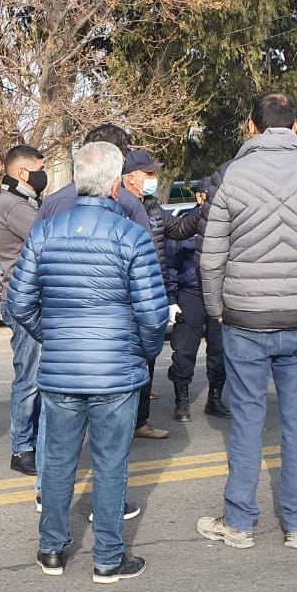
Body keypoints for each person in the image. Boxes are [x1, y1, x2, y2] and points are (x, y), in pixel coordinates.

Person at [7, 141, 169, 582]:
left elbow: (18, 302)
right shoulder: (131, 236)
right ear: (116, 185)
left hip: (61, 368)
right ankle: (108, 557)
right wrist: (142, 351)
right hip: (116, 370)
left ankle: (51, 549)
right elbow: (153, 314)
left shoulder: (45, 232)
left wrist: (53, 337)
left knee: (58, 461)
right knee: (110, 463)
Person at [196, 92, 297, 549]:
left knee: (246, 421)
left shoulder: (233, 176)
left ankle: (239, 523)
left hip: (244, 318)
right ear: (295, 127)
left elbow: (211, 257)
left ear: (252, 126)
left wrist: (216, 308)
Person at [0, 143, 47, 476]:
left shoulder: (22, 202)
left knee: (37, 375)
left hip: (30, 296)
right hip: (25, 298)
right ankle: (23, 447)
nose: (43, 174)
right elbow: (49, 236)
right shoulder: (13, 205)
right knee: (30, 377)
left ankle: (33, 442)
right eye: (40, 169)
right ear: (23, 172)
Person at [165, 180, 230, 422]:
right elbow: (171, 263)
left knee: (220, 349)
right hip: (190, 293)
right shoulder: (184, 224)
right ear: (199, 197)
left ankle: (215, 398)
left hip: (219, 294)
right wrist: (171, 298)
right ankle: (181, 401)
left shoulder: (228, 222)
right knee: (183, 350)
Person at [122, 148, 170, 440]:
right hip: (128, 297)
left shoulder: (151, 207)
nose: (154, 178)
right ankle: (126, 421)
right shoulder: (119, 206)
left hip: (150, 293)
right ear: (130, 178)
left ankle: (140, 421)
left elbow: (175, 229)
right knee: (129, 361)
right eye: (148, 173)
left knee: (148, 358)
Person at [37, 124, 151, 231]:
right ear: (119, 159)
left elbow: (34, 242)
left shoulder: (53, 202)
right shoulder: (129, 203)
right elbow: (144, 243)